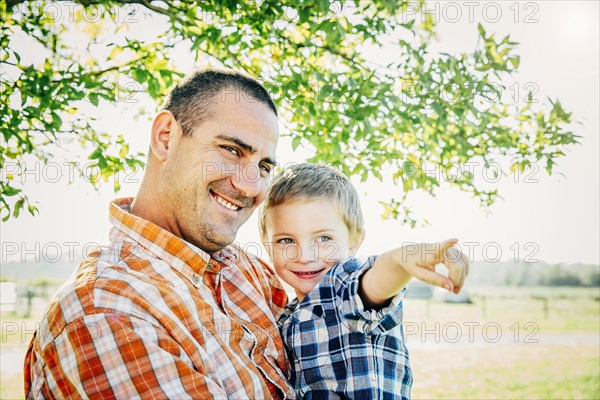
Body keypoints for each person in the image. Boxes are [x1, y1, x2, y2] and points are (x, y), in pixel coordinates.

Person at [24, 69, 296, 399]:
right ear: (166, 137)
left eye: (264, 167)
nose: (250, 186)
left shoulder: (247, 270)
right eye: (231, 150)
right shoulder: (106, 313)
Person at [259, 163, 469, 399]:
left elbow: (373, 283)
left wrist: (400, 261)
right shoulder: (285, 316)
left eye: (324, 238)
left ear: (355, 239)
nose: (304, 255)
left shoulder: (342, 284)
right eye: (286, 241)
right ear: (267, 244)